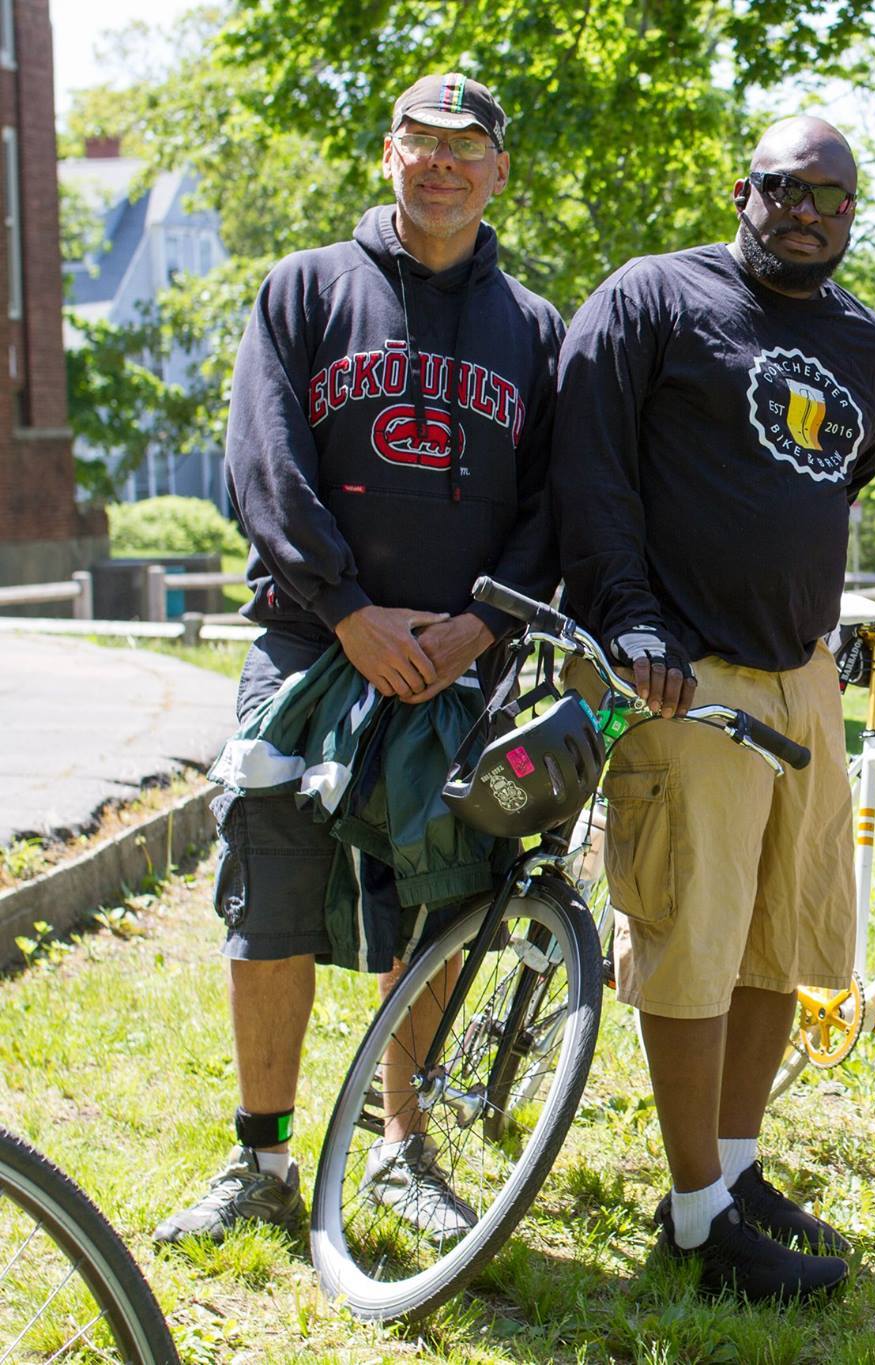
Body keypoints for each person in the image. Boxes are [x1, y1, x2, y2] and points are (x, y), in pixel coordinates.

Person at [154, 74, 563, 1245]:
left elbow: (555, 507)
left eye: (465, 148)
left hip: (459, 661)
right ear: (388, 155)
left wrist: (481, 627)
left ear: (497, 172)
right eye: (420, 144)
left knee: (438, 897)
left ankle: (401, 1151)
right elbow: (263, 458)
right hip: (309, 643)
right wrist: (347, 611)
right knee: (270, 888)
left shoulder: (533, 328)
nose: (441, 164)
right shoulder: (305, 289)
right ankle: (263, 1159)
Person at [551, 116, 875, 1302]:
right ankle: (695, 1216)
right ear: (741, 188)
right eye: (787, 188)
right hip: (678, 674)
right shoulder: (651, 299)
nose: (808, 211)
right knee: (692, 942)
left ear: (853, 215)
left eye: (833, 198)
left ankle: (737, 1169)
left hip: (800, 676)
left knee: (779, 936)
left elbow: (828, 490)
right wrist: (630, 617)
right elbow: (586, 470)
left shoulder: (865, 346)